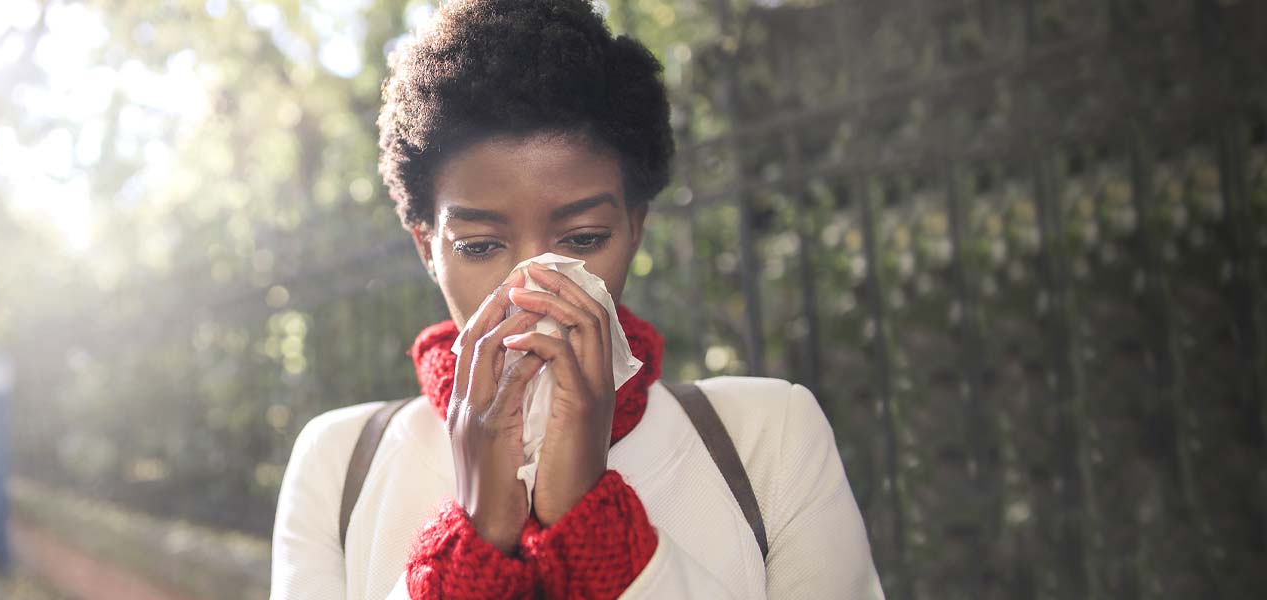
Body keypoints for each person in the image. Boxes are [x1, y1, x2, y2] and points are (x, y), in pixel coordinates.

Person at [270, 1, 883, 597]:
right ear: (426, 248)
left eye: (584, 238)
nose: (534, 287)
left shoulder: (767, 438)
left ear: (635, 229)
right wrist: (471, 543)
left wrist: (597, 528)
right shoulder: (341, 463)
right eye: (481, 246)